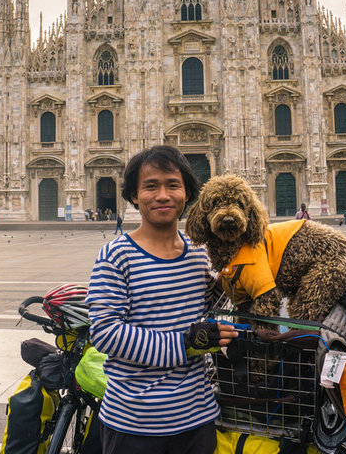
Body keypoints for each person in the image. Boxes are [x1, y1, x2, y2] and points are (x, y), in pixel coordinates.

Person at [86, 145, 237, 454]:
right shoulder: (116, 255)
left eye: (173, 185)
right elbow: (105, 332)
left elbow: (208, 310)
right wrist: (185, 343)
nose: (163, 195)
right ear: (133, 196)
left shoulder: (200, 253)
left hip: (198, 417)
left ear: (187, 193)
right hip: (134, 423)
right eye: (151, 186)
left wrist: (236, 279)